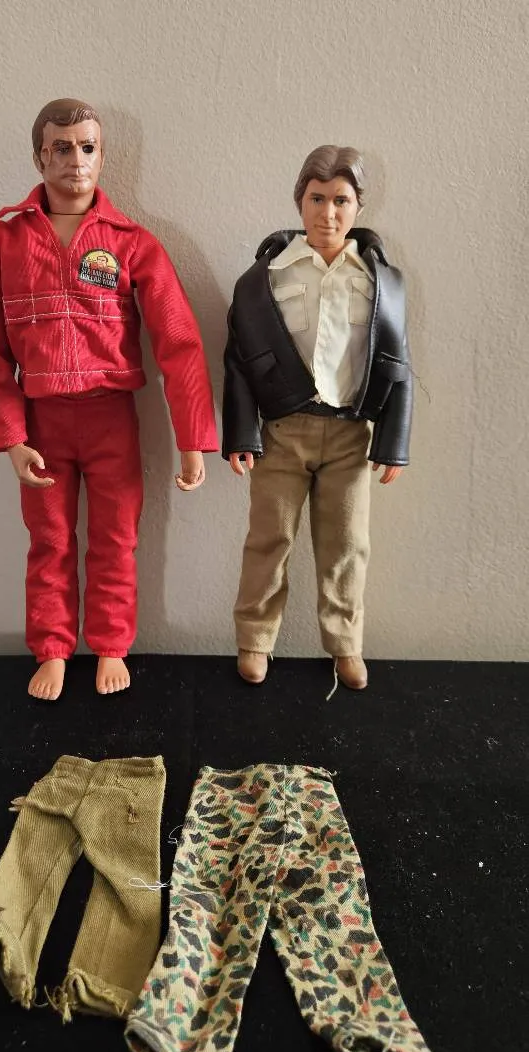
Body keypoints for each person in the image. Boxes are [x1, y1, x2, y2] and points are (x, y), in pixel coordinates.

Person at [0, 98, 218, 701]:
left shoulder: (131, 242)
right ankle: (52, 646)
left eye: (87, 147)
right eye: (60, 147)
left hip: (111, 418)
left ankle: (110, 643)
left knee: (115, 537)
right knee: (49, 540)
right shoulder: (4, 240)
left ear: (103, 157)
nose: (74, 160)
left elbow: (179, 341)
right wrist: (11, 436)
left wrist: (193, 438)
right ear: (39, 157)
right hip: (42, 419)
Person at [222, 145, 412, 690]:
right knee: (268, 540)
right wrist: (241, 432)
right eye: (317, 199)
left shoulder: (382, 281)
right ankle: (254, 639)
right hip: (283, 432)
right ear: (299, 202)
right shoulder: (265, 277)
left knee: (346, 546)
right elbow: (238, 361)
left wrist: (393, 440)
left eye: (340, 200)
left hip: (351, 434)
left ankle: (346, 645)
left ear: (358, 207)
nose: (328, 213)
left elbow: (398, 360)